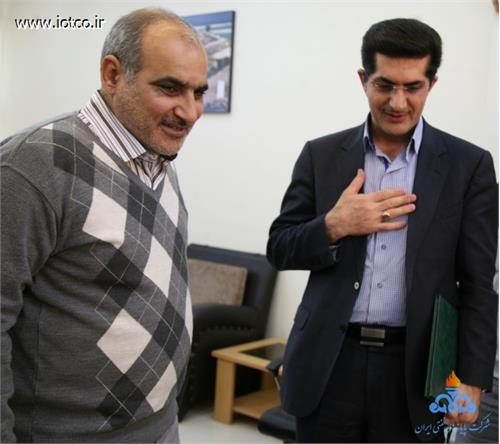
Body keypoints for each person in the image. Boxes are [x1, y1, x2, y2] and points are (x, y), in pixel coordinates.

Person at [267, 18, 498, 443]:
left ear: (432, 84)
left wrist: (471, 377)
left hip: (418, 370)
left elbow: (479, 284)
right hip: (329, 363)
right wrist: (333, 225)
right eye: (384, 85)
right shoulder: (321, 155)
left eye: (413, 87)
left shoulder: (469, 166)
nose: (397, 102)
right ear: (363, 79)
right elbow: (279, 247)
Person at [1, 7, 207, 443]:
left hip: (160, 425)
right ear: (113, 75)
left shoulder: (162, 165)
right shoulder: (32, 165)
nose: (190, 112)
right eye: (170, 88)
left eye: (199, 92)